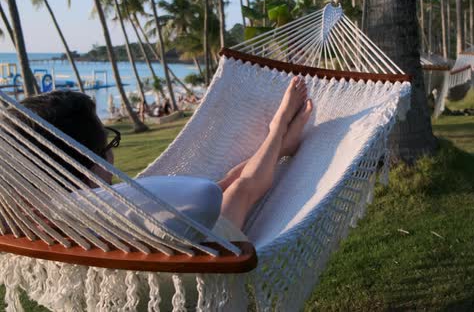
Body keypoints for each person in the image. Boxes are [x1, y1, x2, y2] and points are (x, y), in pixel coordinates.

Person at [16, 77, 313, 237]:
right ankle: (277, 130)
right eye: (109, 144)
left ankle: (281, 147)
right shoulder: (107, 206)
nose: (112, 153)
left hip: (145, 250)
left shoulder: (31, 218)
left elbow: (213, 188)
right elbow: (206, 193)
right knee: (241, 189)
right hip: (197, 264)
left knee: (225, 183)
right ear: (89, 163)